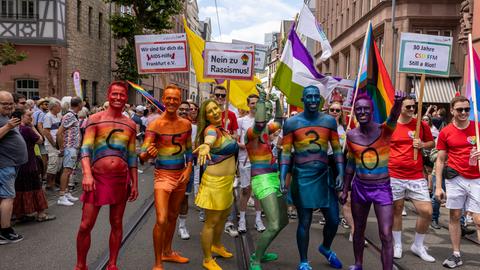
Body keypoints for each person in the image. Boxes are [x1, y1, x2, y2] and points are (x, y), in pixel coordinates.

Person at [75, 81, 139, 270]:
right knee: (85, 225)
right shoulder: (94, 119)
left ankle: (112, 263)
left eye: (122, 95)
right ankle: (80, 265)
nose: (118, 98)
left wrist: (135, 183)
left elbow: (132, 156)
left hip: (120, 179)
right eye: (115, 94)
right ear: (108, 95)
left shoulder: (131, 124)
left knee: (117, 222)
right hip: (96, 179)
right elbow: (85, 148)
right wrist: (87, 173)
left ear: (126, 98)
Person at [280, 86, 344, 270]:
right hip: (302, 177)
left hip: (324, 176)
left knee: (333, 219)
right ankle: (304, 261)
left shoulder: (329, 122)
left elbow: (337, 149)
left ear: (321, 100)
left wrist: (339, 171)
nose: (313, 100)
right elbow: (285, 153)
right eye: (309, 97)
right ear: (303, 99)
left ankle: (325, 247)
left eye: (316, 96)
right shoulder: (291, 123)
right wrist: (283, 177)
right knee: (305, 221)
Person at [340, 92, 405, 270]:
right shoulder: (351, 135)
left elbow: (393, 117)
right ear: (354, 112)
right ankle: (358, 263)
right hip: (360, 188)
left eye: (366, 109)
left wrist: (398, 102)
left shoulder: (384, 131)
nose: (362, 112)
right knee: (358, 230)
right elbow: (351, 164)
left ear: (372, 111)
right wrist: (345, 189)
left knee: (385, 234)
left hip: (382, 188)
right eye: (358, 109)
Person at [140, 86, 193, 269]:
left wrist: (188, 169)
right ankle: (157, 262)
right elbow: (143, 153)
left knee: (173, 215)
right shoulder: (154, 125)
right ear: (163, 99)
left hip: (180, 175)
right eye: (168, 98)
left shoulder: (186, 124)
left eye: (175, 99)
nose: (171, 102)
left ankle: (168, 252)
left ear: (180, 101)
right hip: (163, 175)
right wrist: (148, 153)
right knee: (161, 219)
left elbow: (188, 150)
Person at [388, 97, 435, 262]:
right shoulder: (391, 124)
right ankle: (397, 245)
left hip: (416, 175)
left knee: (427, 211)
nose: (411, 109)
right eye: (408, 106)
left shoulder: (420, 124)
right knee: (397, 210)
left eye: (413, 107)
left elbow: (432, 142)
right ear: (400, 107)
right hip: (394, 174)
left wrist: (422, 144)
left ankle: (418, 245)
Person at [434, 95, 480, 268]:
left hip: (476, 179)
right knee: (454, 216)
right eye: (459, 109)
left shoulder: (477, 128)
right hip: (455, 178)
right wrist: (438, 187)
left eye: (467, 109)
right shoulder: (446, 132)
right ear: (452, 110)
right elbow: (440, 160)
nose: (463, 112)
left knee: (478, 220)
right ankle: (456, 254)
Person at [194, 99, 239, 270]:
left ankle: (217, 245)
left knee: (222, 218)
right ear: (205, 117)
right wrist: (206, 145)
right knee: (211, 222)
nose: (214, 112)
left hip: (227, 182)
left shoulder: (224, 130)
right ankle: (207, 259)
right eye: (209, 111)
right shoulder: (211, 129)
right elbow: (210, 138)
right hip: (214, 183)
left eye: (216, 108)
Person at [246, 85, 288, 270]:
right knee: (273, 224)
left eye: (268, 109)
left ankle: (261, 252)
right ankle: (255, 258)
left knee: (283, 221)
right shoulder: (251, 132)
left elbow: (279, 120)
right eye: (265, 109)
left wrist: (278, 100)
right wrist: (262, 99)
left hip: (273, 177)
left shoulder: (268, 130)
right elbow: (260, 124)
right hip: (262, 180)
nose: (268, 113)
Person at [13, 109, 54, 222]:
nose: (31, 118)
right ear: (21, 117)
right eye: (28, 116)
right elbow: (40, 140)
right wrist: (33, 127)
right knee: (36, 188)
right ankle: (41, 214)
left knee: (20, 189)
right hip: (29, 163)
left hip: (18, 165)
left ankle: (20, 215)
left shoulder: (14, 129)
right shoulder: (26, 129)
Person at [212, 85, 239, 237]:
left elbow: (236, 135)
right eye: (218, 95)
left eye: (223, 96)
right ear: (213, 95)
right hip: (212, 159)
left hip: (228, 158)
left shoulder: (231, 115)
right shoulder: (208, 114)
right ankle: (213, 217)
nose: (220, 98)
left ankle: (228, 221)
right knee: (212, 188)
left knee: (228, 189)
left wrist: (228, 136)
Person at [0, 91, 27, 244]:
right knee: (7, 197)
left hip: (11, 164)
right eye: (5, 104)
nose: (9, 106)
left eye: (11, 103)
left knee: (6, 196)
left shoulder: (6, 117)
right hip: (5, 165)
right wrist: (8, 126)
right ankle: (5, 231)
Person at [237, 94, 265, 233]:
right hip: (245, 159)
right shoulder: (241, 121)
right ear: (248, 105)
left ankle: (258, 220)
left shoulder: (263, 121)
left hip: (260, 160)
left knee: (259, 191)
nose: (254, 105)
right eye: (252, 103)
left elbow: (268, 140)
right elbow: (235, 140)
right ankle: (242, 220)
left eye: (257, 103)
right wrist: (243, 145)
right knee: (245, 190)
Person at [56, 97, 83, 206]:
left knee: (69, 171)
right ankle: (62, 196)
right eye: (82, 104)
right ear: (79, 104)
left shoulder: (72, 116)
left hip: (72, 147)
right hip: (69, 147)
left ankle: (66, 193)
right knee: (66, 171)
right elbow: (59, 133)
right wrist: (62, 147)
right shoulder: (69, 116)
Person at [175, 101, 194, 240]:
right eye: (180, 109)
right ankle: (168, 224)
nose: (183, 112)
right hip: (169, 168)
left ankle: (182, 226)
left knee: (184, 198)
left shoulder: (194, 127)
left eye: (186, 110)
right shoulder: (167, 124)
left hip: (187, 167)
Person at [42, 99, 63, 192]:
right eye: (59, 106)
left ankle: (53, 183)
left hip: (57, 143)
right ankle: (49, 184)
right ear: (54, 107)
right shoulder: (48, 116)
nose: (60, 108)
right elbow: (46, 132)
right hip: (52, 144)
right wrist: (53, 143)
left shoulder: (57, 116)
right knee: (53, 163)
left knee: (57, 164)